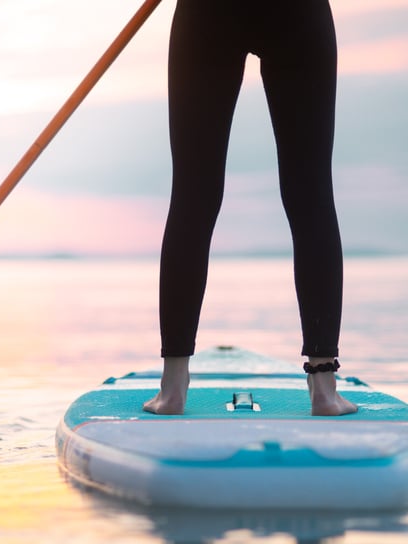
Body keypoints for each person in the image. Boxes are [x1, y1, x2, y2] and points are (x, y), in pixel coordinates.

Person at [143, 0, 357, 416]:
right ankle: (324, 389)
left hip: (210, 13)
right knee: (310, 193)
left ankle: (172, 389)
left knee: (193, 192)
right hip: (297, 13)